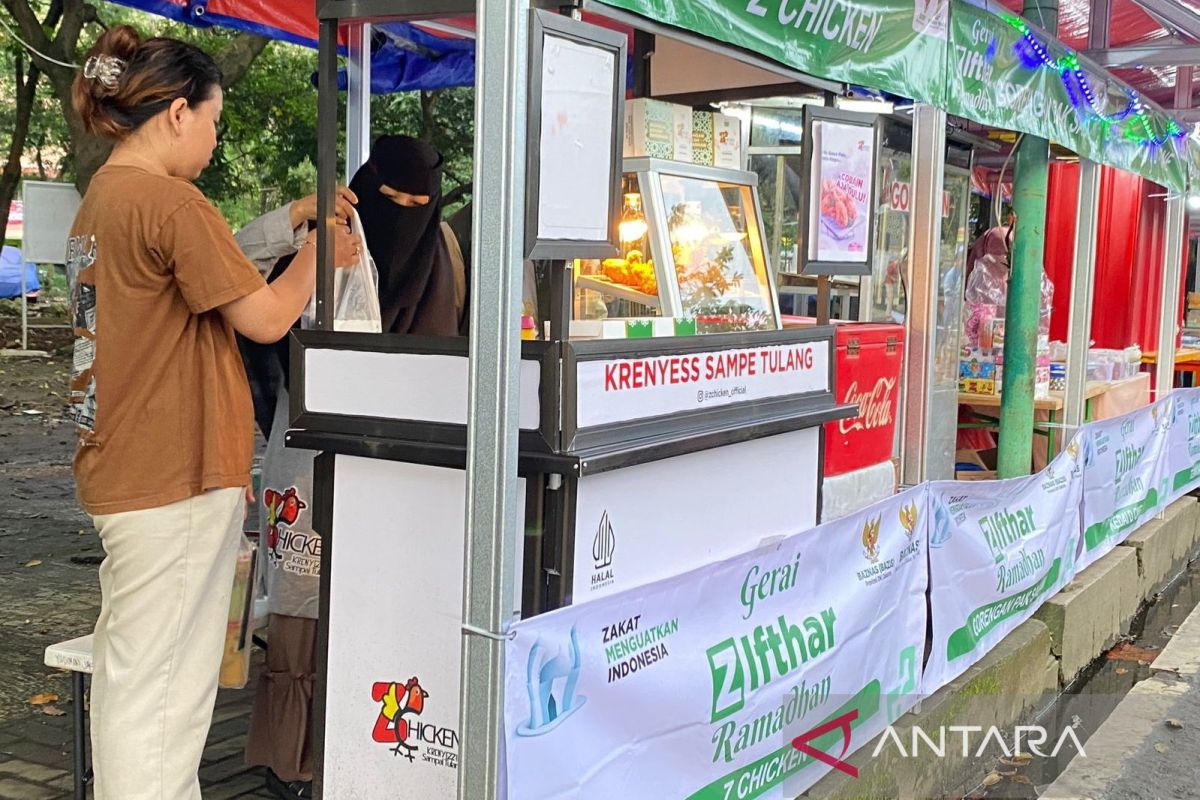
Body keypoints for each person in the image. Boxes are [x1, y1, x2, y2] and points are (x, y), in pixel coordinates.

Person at [67, 26, 360, 800]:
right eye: (214, 120)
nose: (215, 138)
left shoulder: (104, 198)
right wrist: (316, 258)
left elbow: (207, 269)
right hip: (176, 476)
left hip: (125, 469)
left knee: (136, 682)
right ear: (177, 114)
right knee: (164, 696)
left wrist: (287, 221)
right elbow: (263, 317)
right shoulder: (171, 202)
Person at [241, 135, 462, 800]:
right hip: (310, 461)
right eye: (391, 200)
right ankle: (293, 759)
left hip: (408, 469)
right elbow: (234, 278)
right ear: (363, 193)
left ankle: (375, 754)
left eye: (419, 205)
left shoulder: (448, 253)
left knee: (389, 605)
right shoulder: (322, 244)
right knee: (302, 612)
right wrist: (298, 228)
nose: (405, 217)